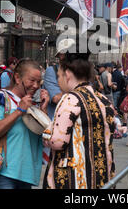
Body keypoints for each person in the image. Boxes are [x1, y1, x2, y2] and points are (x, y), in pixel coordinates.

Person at [43, 52, 115, 189]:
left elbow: (57, 142)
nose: (58, 81)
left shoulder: (70, 99)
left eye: (59, 76)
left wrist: (46, 133)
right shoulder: (104, 100)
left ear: (68, 74)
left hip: (74, 178)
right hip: (101, 176)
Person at [0, 59, 49, 189]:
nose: (36, 86)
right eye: (32, 80)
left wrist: (43, 110)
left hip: (25, 176)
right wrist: (19, 111)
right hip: (3, 174)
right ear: (18, 78)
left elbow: (44, 138)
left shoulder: (32, 105)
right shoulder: (1, 98)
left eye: (39, 82)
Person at [43, 39, 75, 120]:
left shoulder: (78, 72)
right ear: (60, 55)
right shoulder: (52, 71)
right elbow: (56, 99)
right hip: (57, 121)